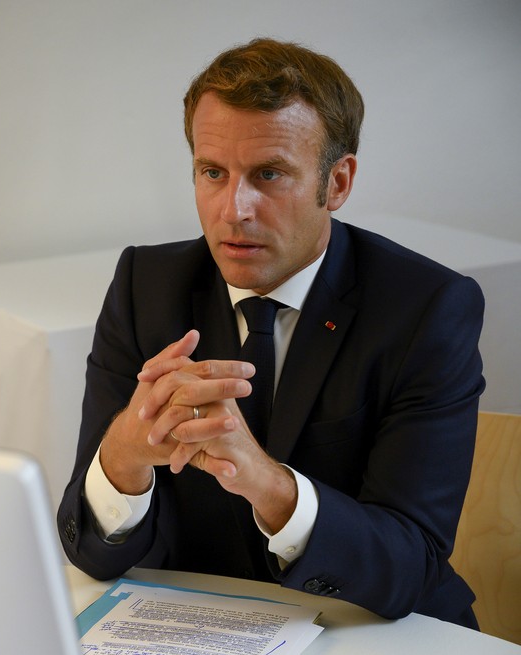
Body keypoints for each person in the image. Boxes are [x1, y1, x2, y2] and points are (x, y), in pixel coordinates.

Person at [57, 38, 485, 628]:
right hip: (194, 630)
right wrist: (124, 455)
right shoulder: (144, 284)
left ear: (337, 183)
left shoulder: (426, 308)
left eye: (269, 174)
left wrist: (268, 485)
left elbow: (411, 561)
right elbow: (91, 551)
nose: (235, 208)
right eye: (212, 172)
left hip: (370, 628)